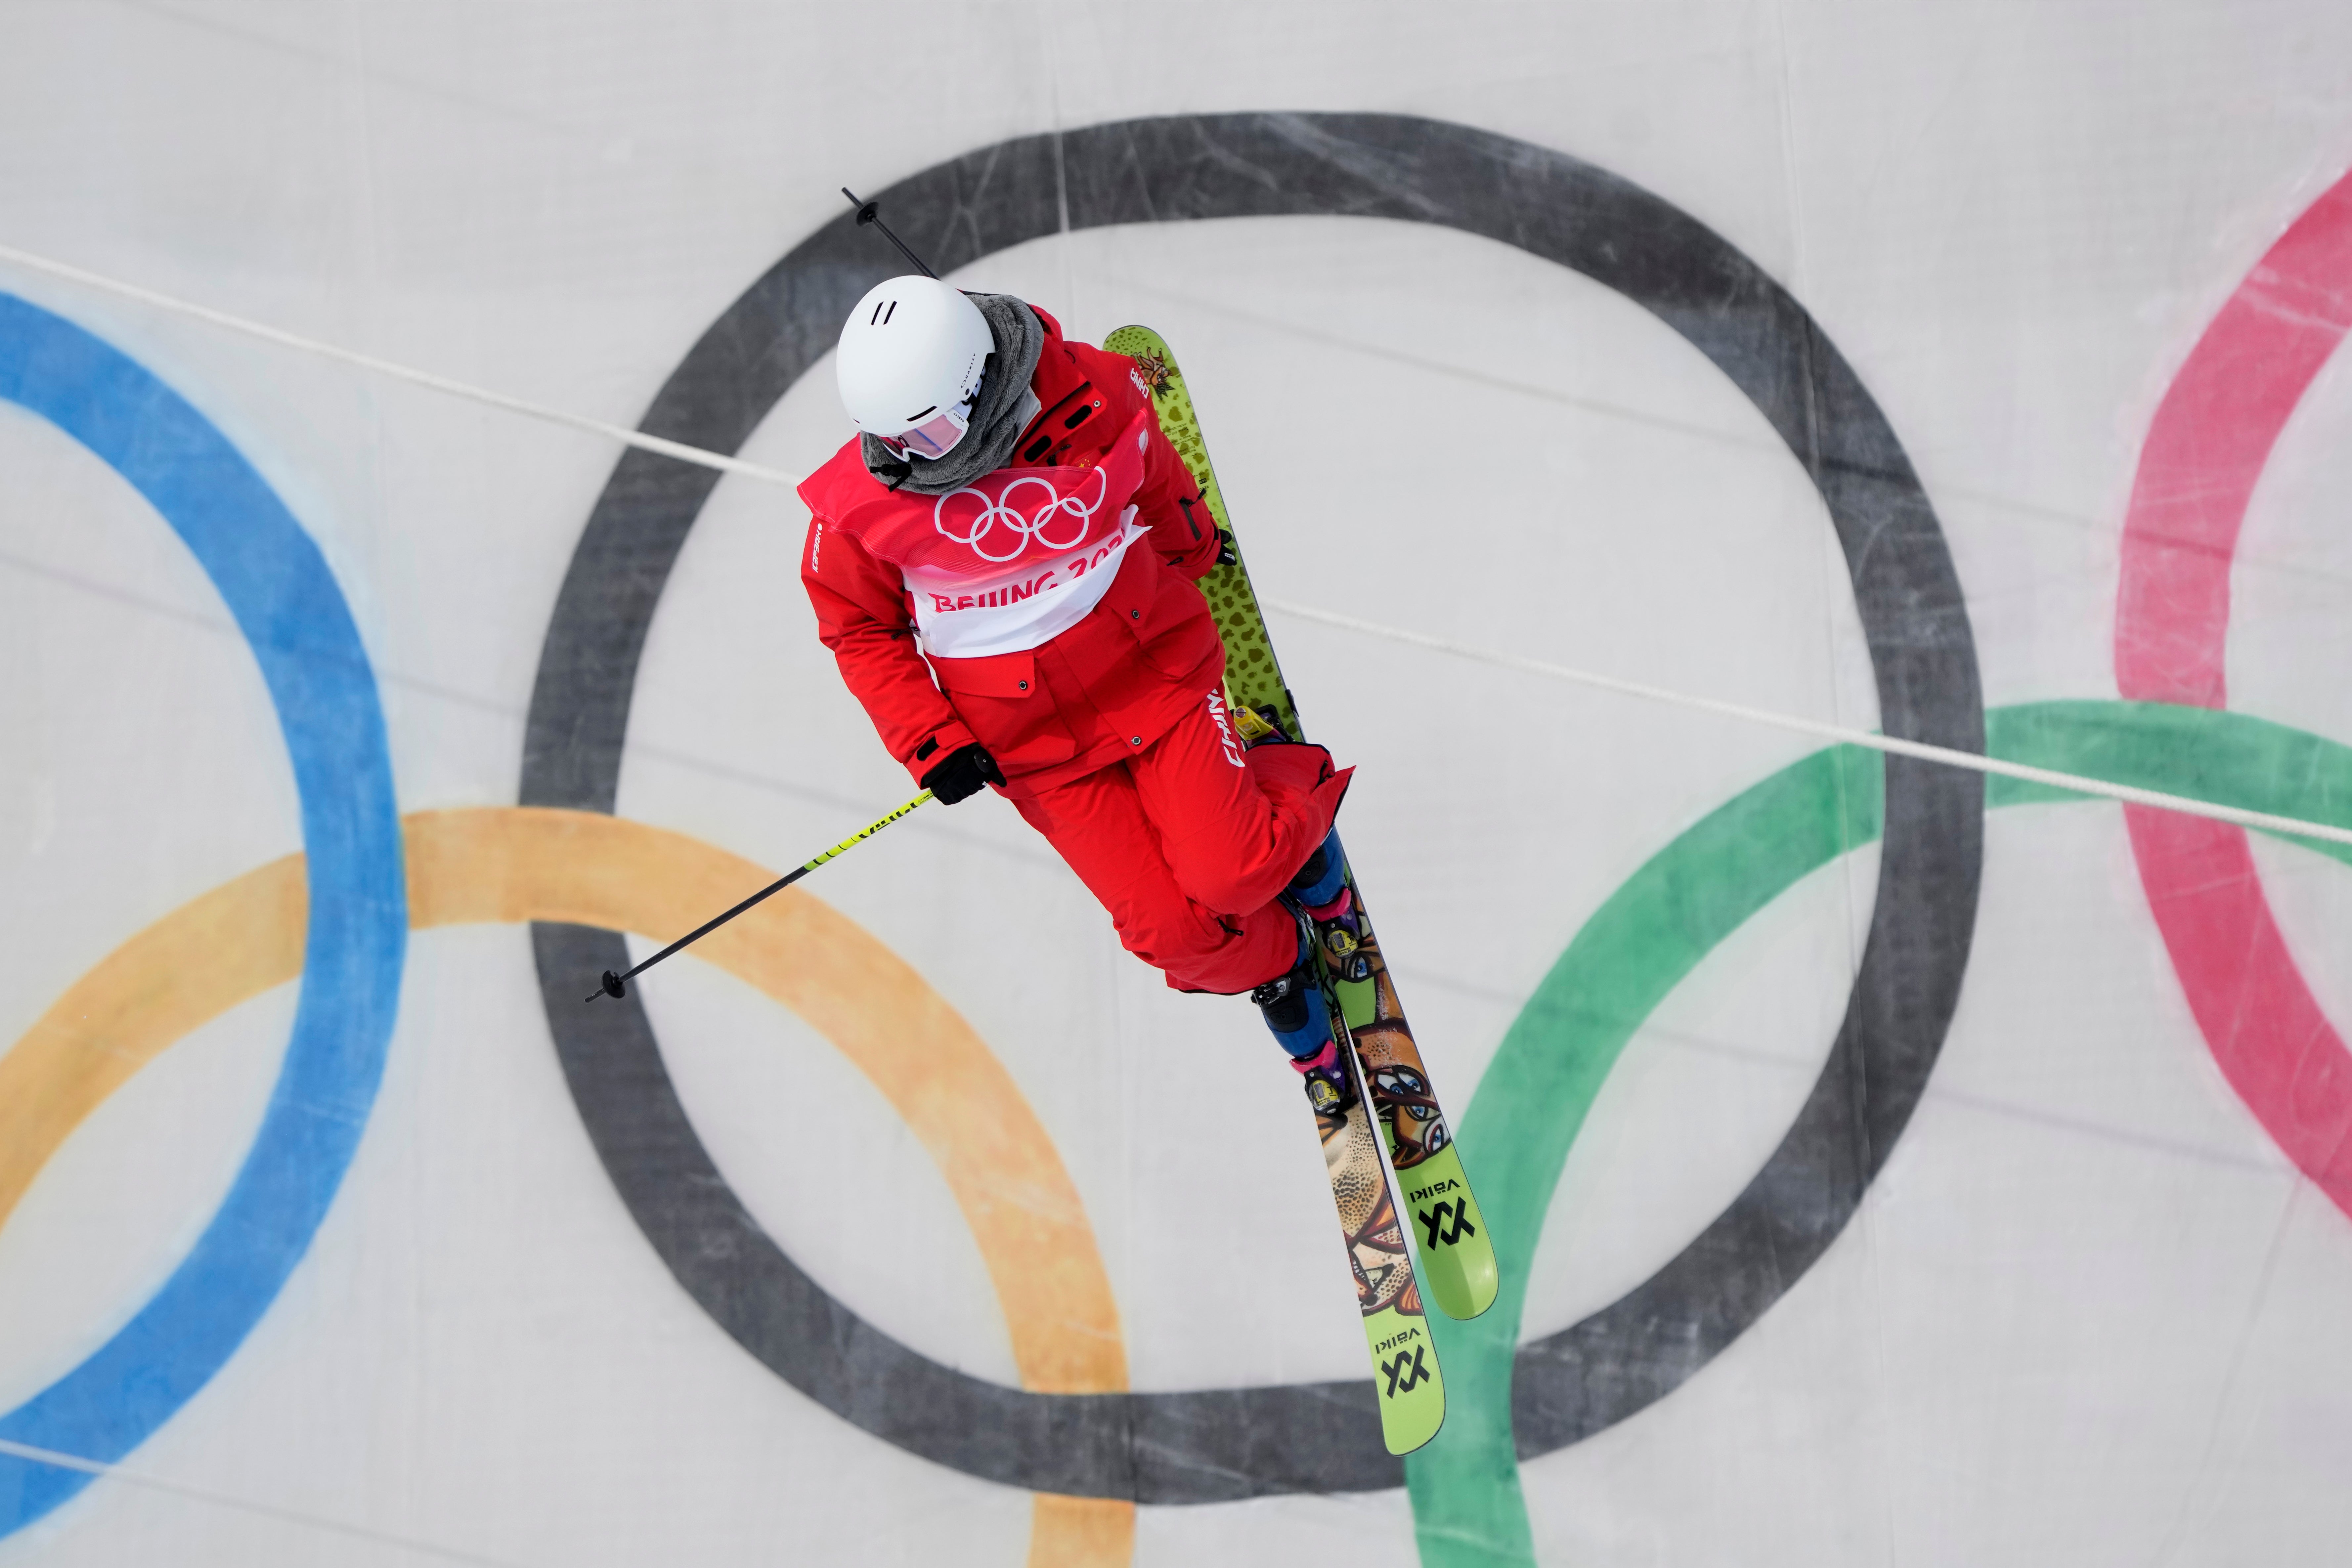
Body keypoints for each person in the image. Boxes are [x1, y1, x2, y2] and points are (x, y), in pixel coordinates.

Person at [796, 275, 1359, 1110]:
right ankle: (1279, 966)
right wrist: (932, 741)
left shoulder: (1089, 393)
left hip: (1154, 679)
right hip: (1038, 750)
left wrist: (1192, 544)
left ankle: (1287, 802)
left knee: (1233, 874)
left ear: (979, 383)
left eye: (936, 430)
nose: (917, 459)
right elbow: (858, 628)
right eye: (891, 441)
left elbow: (1155, 472)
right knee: (1170, 935)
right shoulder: (862, 506)